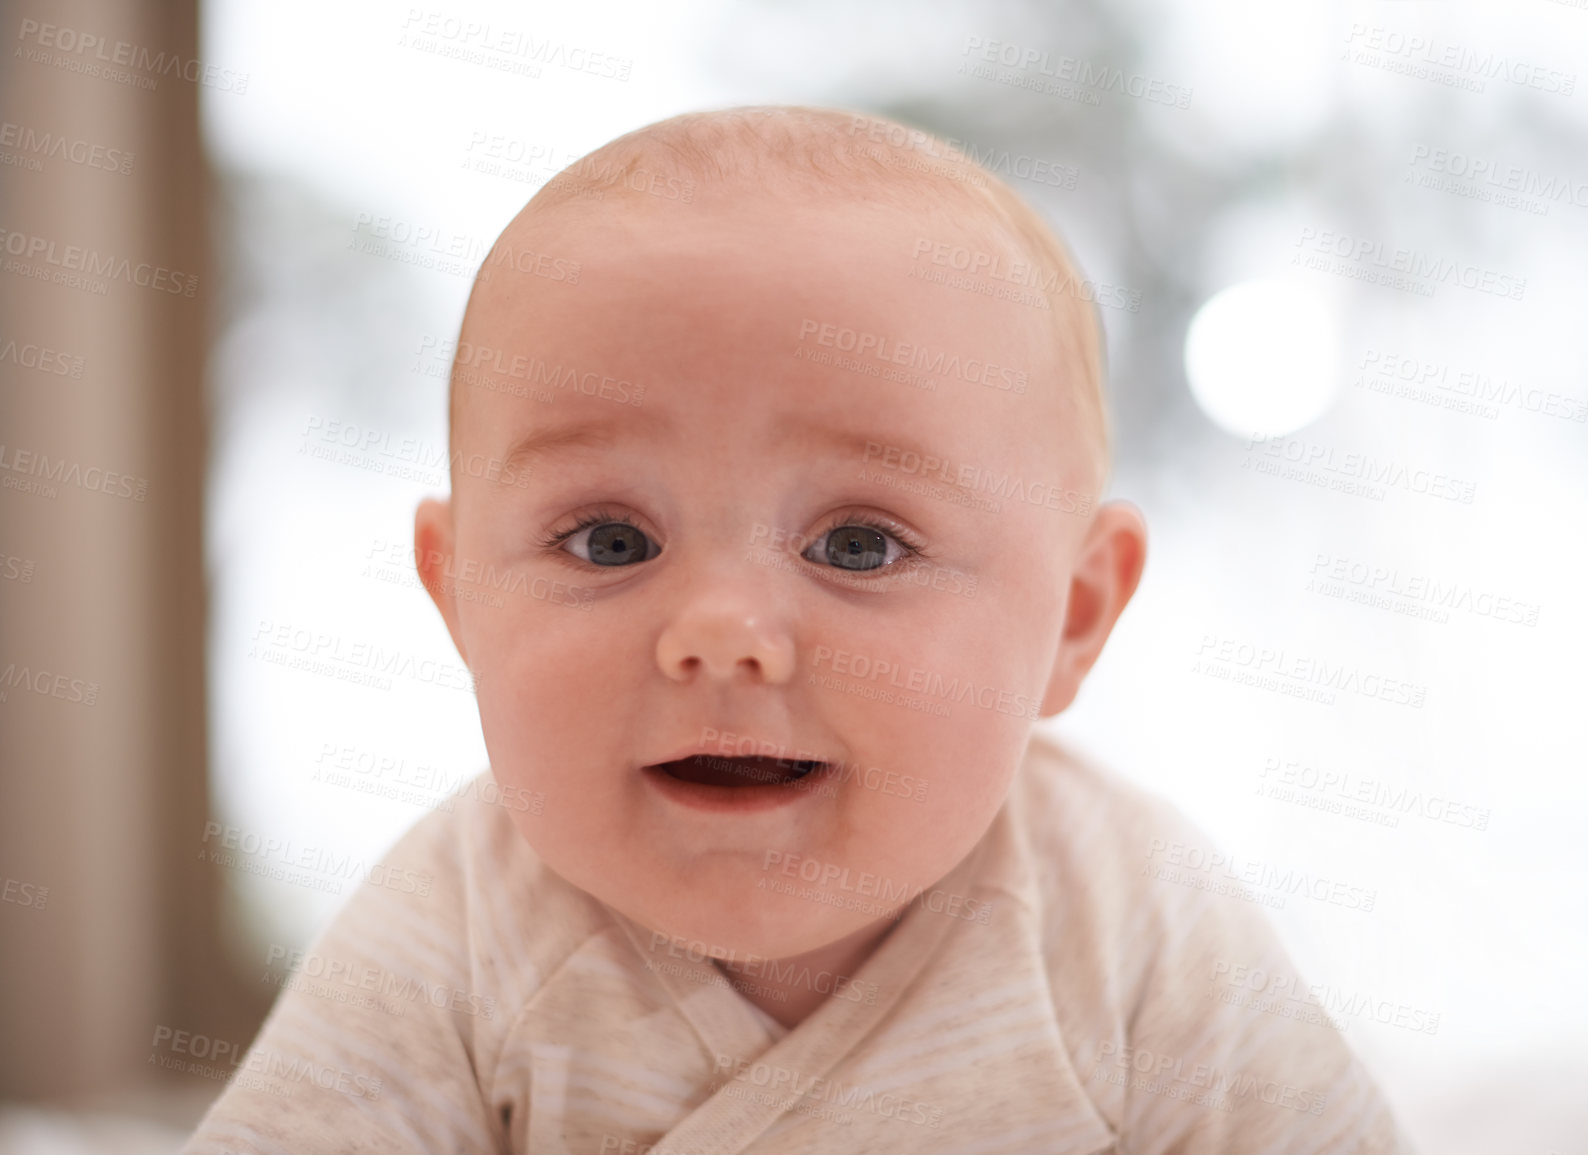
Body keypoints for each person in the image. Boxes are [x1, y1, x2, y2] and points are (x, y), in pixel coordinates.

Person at [183, 105, 1409, 1154]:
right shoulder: (457, 923)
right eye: (610, 542)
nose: (721, 636)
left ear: (1075, 618)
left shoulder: (1133, 921)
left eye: (859, 546)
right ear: (458, 596)